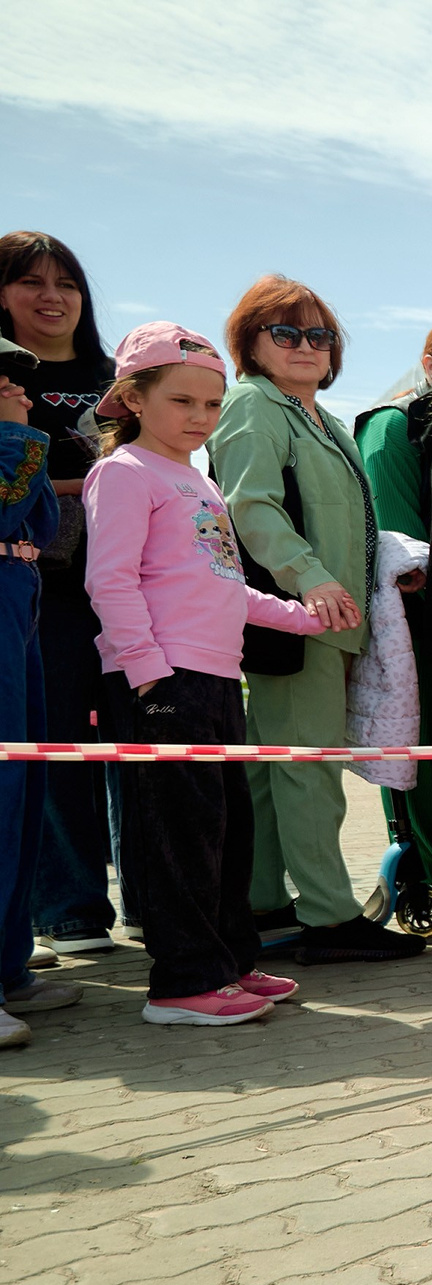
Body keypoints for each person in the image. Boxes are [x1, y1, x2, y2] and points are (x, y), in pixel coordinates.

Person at [82, 324, 353, 1024]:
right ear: (133, 399)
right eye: (182, 401)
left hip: (214, 678)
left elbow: (221, 583)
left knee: (227, 832)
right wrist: (146, 672)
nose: (200, 418)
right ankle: (181, 984)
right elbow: (109, 581)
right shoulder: (124, 473)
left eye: (211, 404)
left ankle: (231, 963)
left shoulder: (197, 479)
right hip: (163, 682)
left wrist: (302, 617)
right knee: (177, 837)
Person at [209, 275, 423, 966]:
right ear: (250, 343)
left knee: (280, 766)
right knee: (307, 766)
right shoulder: (252, 405)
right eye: (286, 332)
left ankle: (264, 902)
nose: (306, 346)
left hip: (328, 617)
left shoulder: (321, 419)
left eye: (320, 334)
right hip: (295, 615)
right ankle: (330, 918)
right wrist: (313, 579)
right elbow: (252, 507)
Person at [4, 232, 121, 958]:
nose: (53, 297)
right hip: (40, 587)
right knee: (56, 751)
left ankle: (154, 903)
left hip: (131, 583)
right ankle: (71, 913)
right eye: (31, 282)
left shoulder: (117, 375)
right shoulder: (3, 384)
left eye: (67, 284)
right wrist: (93, 485)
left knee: (142, 746)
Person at [354, 317, 432, 917]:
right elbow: (398, 542)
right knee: (425, 753)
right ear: (429, 365)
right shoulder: (393, 425)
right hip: (418, 621)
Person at [0, 336, 66, 1043]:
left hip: (20, 601)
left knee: (24, 783)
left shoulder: (15, 436)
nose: (18, 391)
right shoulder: (9, 437)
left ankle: (9, 964)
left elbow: (38, 525)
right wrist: (13, 436)